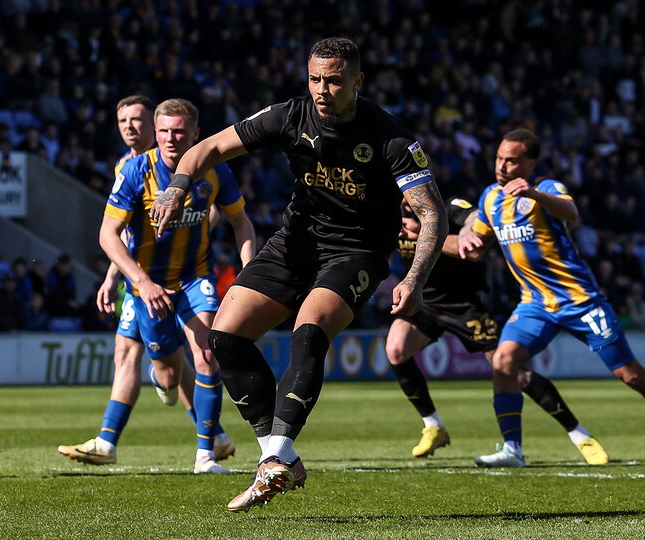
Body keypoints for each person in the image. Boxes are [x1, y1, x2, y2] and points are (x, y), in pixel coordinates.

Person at [150, 37, 448, 511]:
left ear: (358, 81)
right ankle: (279, 457)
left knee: (309, 332)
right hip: (295, 243)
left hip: (357, 252)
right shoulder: (290, 115)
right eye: (314, 79)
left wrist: (413, 279)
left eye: (334, 81)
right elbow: (207, 148)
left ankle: (276, 457)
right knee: (224, 337)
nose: (322, 90)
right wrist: (177, 187)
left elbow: (432, 213)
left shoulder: (390, 137)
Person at [457, 128, 645, 468]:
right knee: (503, 362)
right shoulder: (490, 197)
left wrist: (534, 194)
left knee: (630, 374)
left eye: (511, 160)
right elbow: (475, 240)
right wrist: (456, 237)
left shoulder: (546, 188)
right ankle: (512, 449)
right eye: (498, 158)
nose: (502, 166)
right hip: (535, 304)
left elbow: (571, 213)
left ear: (530, 163)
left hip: (581, 301)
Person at [59, 98, 255, 474]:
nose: (170, 138)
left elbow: (239, 220)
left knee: (207, 353)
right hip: (147, 286)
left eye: (178, 131)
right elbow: (109, 234)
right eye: (163, 131)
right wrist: (135, 280)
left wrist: (248, 272)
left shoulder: (214, 170)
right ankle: (196, 419)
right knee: (166, 371)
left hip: (196, 277)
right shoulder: (133, 171)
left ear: (196, 134)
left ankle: (204, 455)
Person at [388, 199, 608, 465]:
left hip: (465, 307)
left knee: (513, 371)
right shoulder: (391, 211)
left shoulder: (451, 207)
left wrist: (428, 233)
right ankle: (433, 426)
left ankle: (579, 435)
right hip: (424, 303)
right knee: (396, 349)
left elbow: (472, 235)